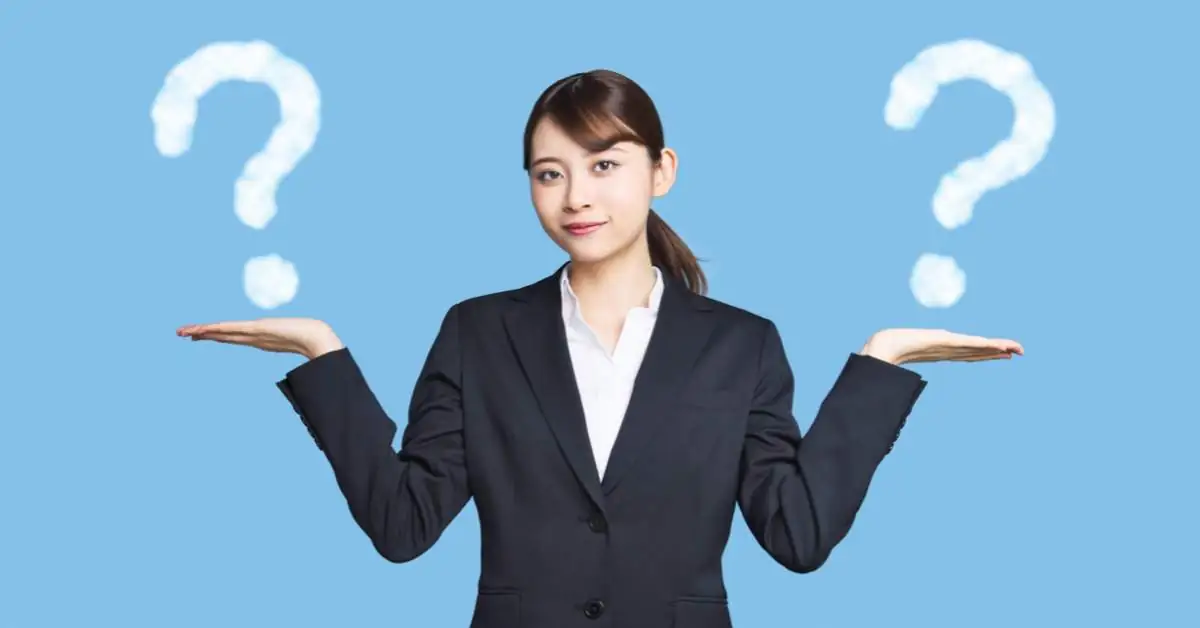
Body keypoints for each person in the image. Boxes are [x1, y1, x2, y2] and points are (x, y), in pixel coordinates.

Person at [177, 69, 1022, 628]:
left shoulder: (742, 344)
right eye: (549, 173)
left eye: (604, 164)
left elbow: (796, 537)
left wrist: (880, 365)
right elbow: (404, 526)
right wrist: (324, 357)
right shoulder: (478, 331)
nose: (575, 196)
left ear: (662, 170)